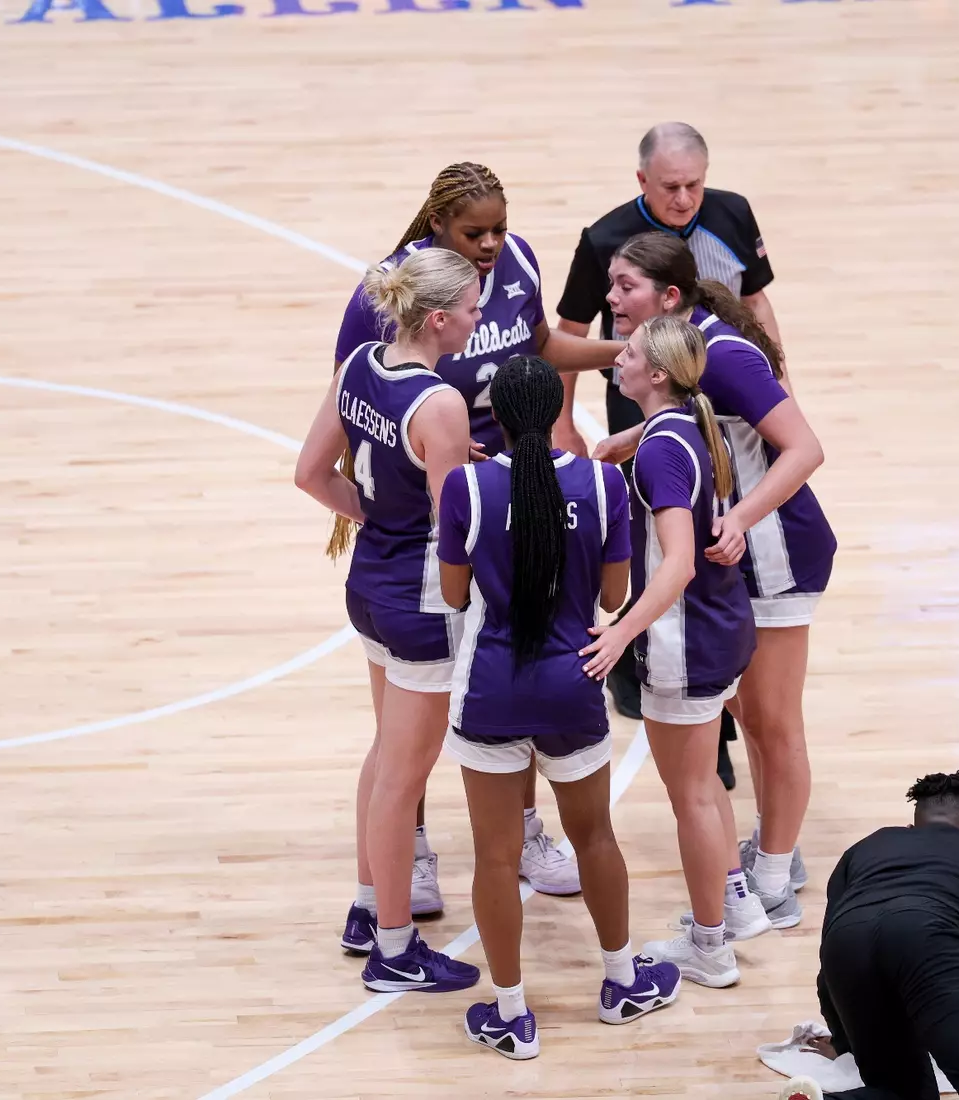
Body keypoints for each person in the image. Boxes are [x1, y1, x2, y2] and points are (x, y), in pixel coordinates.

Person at [333, 161, 621, 907]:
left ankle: (521, 832)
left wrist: (622, 353)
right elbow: (353, 405)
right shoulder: (393, 291)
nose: (492, 244)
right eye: (474, 234)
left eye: (498, 229)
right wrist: (386, 509)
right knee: (414, 725)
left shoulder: (518, 261)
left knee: (506, 671)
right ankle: (408, 859)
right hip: (444, 517)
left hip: (511, 494)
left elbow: (542, 349)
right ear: (437, 227)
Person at [586, 232, 832, 935]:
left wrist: (742, 519)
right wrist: (634, 438)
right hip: (737, 558)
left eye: (627, 286)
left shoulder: (723, 353)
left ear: (669, 297)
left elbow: (806, 448)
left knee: (773, 721)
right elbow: (707, 425)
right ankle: (762, 860)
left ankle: (775, 875)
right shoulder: (683, 353)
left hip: (777, 555)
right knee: (747, 717)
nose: (613, 298)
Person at [436, 355, 681, 1059]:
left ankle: (511, 1015)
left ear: (497, 417)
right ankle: (622, 982)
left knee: (495, 856)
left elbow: (454, 596)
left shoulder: (466, 487)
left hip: (492, 688)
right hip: (574, 683)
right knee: (595, 836)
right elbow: (614, 598)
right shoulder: (604, 484)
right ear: (555, 413)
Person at [555, 122, 772, 773]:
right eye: (670, 186)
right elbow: (568, 330)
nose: (683, 198)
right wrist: (564, 422)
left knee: (699, 548)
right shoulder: (605, 238)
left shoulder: (731, 216)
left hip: (714, 415)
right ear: (642, 181)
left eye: (693, 185)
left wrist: (779, 381)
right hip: (644, 402)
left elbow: (757, 304)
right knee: (644, 544)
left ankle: (710, 723)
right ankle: (637, 666)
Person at [294, 246, 481, 993]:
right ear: (437, 320)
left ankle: (369, 908)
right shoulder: (441, 404)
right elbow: (455, 530)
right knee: (405, 777)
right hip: (420, 604)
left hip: (369, 586)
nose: (477, 319)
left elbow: (310, 474)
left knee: (386, 758)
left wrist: (374, 516)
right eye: (470, 308)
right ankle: (395, 952)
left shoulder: (359, 366)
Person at [578, 315, 767, 989]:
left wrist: (622, 631)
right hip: (720, 627)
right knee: (704, 783)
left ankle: (710, 947)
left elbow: (679, 562)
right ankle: (734, 907)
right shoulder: (688, 424)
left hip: (684, 642)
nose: (618, 358)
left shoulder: (662, 449)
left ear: (657, 374)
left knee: (690, 797)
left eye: (628, 352)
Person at [778, 772, 959, 1100]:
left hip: (848, 944)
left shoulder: (864, 849)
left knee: (903, 1093)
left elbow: (830, 962)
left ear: (914, 825)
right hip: (933, 940)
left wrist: (847, 1043)